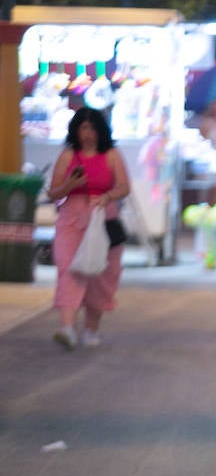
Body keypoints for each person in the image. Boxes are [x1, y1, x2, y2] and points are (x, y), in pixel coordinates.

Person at [47, 107, 131, 350]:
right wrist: (69, 185)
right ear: (76, 130)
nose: (88, 133)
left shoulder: (112, 155)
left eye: (92, 128)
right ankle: (67, 328)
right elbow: (54, 194)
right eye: (83, 128)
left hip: (103, 219)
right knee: (68, 269)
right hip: (71, 220)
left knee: (101, 275)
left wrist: (108, 196)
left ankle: (91, 330)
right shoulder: (67, 156)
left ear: (101, 130)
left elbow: (124, 187)